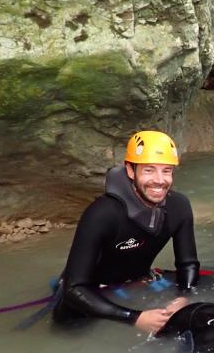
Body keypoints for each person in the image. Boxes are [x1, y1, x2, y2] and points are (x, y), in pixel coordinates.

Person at [52, 131, 200, 333]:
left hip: (136, 283)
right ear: (130, 170)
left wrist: (184, 297)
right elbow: (74, 288)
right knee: (66, 329)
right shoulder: (102, 213)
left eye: (166, 171)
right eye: (149, 170)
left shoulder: (179, 206)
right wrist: (135, 318)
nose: (159, 180)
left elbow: (188, 264)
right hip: (88, 291)